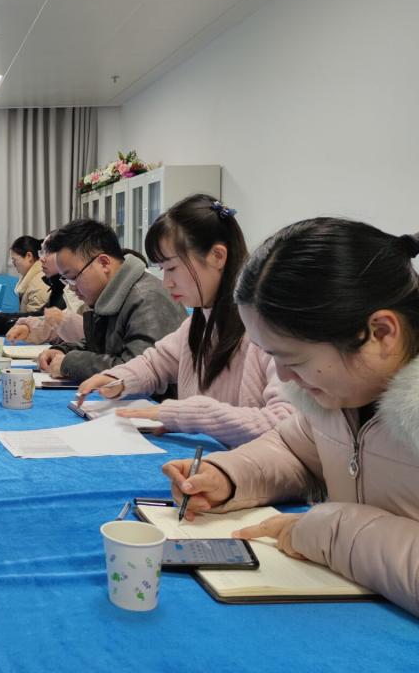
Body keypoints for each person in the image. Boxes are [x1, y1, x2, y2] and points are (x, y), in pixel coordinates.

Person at [161, 218, 419, 616]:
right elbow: (295, 450)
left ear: (381, 333)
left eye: (293, 359)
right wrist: (228, 476)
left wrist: (326, 532)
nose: (282, 377)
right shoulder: (338, 396)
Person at [76, 195, 294, 447]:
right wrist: (118, 379)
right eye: (162, 269)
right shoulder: (199, 321)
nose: (167, 283)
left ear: (217, 256)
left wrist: (189, 415)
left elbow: (286, 424)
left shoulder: (267, 329)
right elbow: (155, 363)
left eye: (172, 268)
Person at [38, 219, 185, 382]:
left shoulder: (147, 298)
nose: (72, 287)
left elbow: (136, 372)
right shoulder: (112, 295)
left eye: (73, 277)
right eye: (66, 280)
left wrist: (70, 363)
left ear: (104, 263)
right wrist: (63, 351)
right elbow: (101, 347)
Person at [7, 248, 86, 345]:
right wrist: (29, 328)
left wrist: (7, 321)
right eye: (41, 252)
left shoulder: (42, 284)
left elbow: (84, 336)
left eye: (48, 252)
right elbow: (56, 326)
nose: (41, 259)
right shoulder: (63, 285)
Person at [9, 235, 51, 313]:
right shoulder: (33, 278)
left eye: (15, 260)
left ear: (29, 256)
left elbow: (34, 318)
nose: (14, 264)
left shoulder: (39, 284)